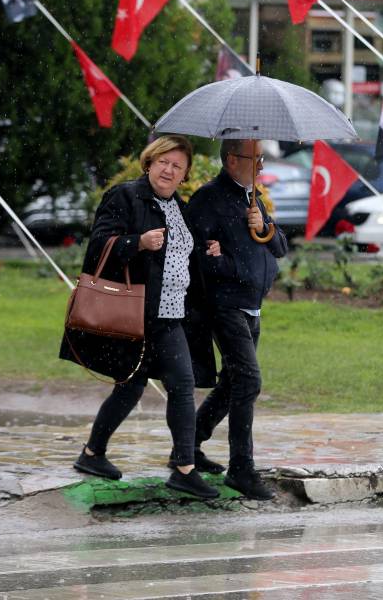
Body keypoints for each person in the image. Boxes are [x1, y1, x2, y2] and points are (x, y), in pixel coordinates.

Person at [59, 136, 219, 500]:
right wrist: (137, 243)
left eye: (177, 166)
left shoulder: (180, 208)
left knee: (181, 384)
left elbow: (183, 254)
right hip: (136, 314)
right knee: (130, 388)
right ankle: (93, 453)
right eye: (163, 162)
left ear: (185, 175)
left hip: (171, 315)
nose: (169, 170)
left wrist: (209, 249)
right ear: (149, 162)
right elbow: (99, 244)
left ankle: (183, 468)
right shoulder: (125, 196)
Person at [185, 139, 289, 501]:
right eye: (254, 159)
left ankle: (188, 445)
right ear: (232, 160)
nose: (260, 166)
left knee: (232, 383)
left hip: (251, 305)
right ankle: (241, 468)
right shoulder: (208, 198)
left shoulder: (252, 197)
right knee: (248, 380)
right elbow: (197, 256)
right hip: (224, 305)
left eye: (261, 159)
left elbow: (280, 247)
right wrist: (226, 262)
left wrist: (263, 225)